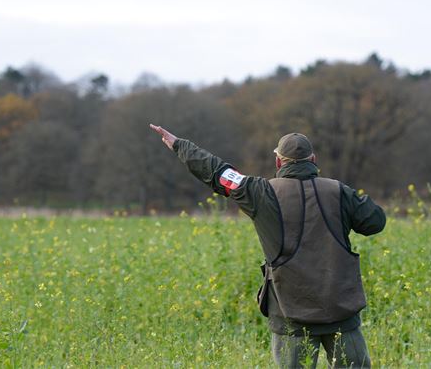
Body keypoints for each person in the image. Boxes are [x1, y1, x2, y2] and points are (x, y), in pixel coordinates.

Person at [150, 124, 385, 368]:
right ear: (313, 160)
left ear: (279, 163)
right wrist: (345, 196)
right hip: (341, 314)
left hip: (290, 315)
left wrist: (180, 145)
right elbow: (375, 222)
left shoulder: (258, 192)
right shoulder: (338, 191)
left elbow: (217, 172)